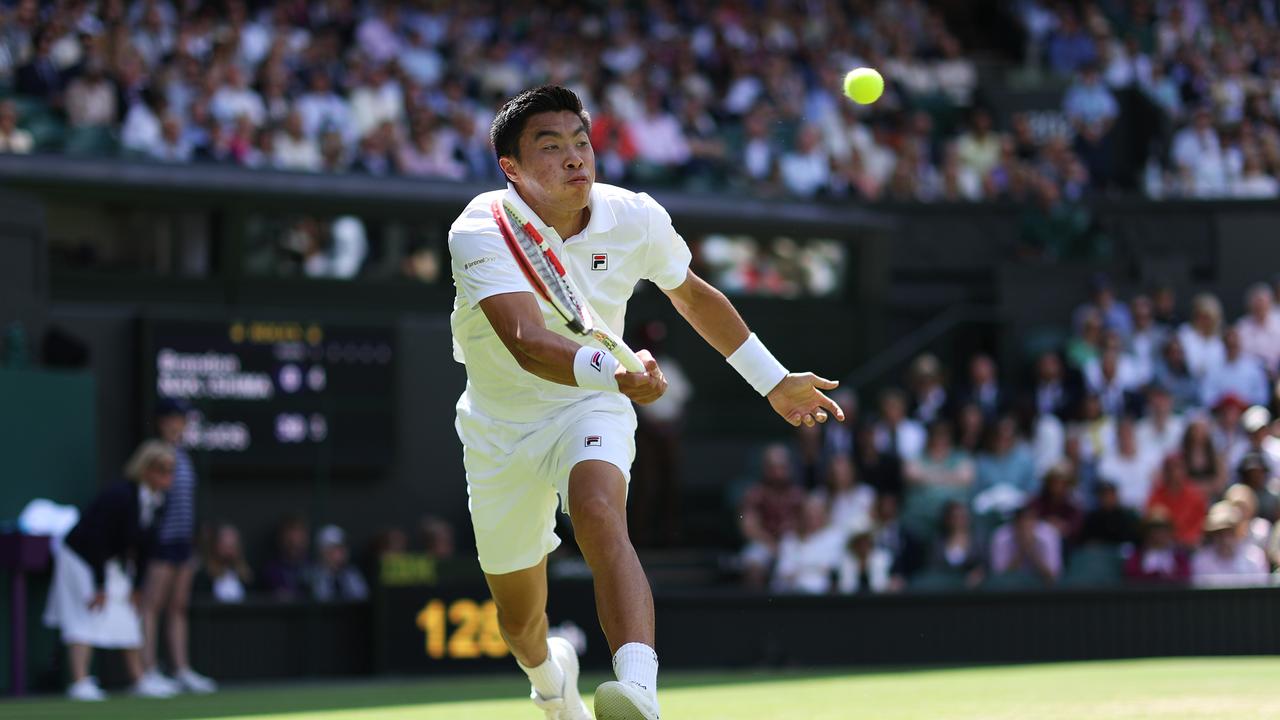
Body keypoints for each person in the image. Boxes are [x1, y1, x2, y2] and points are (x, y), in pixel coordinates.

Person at [447, 86, 843, 720]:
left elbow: (692, 295)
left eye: (581, 142)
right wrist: (617, 371)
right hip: (499, 430)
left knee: (601, 512)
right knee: (520, 624)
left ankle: (639, 692)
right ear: (512, 169)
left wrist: (773, 381)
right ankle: (551, 687)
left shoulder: (634, 216)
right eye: (551, 148)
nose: (576, 157)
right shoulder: (478, 230)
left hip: (589, 407)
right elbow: (526, 341)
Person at [44, 441, 178, 701]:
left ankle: (140, 679)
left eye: (170, 470)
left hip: (107, 561)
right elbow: (98, 539)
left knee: (127, 614)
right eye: (162, 469)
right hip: (81, 557)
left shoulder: (158, 501)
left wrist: (138, 586)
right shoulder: (120, 496)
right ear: (146, 469)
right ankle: (80, 682)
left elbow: (145, 547)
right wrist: (100, 585)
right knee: (84, 613)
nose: (167, 477)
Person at [140, 399, 216, 694]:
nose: (178, 424)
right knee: (152, 605)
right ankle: (147, 671)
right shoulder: (155, 455)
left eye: (182, 419)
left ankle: (181, 669)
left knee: (178, 607)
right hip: (160, 543)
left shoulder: (184, 456)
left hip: (184, 543)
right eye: (173, 418)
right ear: (161, 422)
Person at [739, 444, 808, 589]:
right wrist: (772, 545)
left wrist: (789, 543)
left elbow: (807, 524)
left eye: (782, 466)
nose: (778, 471)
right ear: (765, 468)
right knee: (753, 563)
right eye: (773, 466)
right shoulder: (755, 494)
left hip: (793, 542)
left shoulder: (798, 495)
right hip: (764, 542)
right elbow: (749, 527)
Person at [772, 497, 846, 594]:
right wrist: (814, 568)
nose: (812, 518)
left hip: (824, 595)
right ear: (802, 516)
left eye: (817, 514)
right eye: (809, 515)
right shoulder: (789, 540)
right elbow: (784, 573)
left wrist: (801, 570)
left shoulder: (836, 537)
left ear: (825, 515)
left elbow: (833, 568)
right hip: (792, 595)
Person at [1191, 502, 1271, 587]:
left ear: (1237, 531)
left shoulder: (1255, 557)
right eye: (1219, 533)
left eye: (1229, 532)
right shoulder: (1201, 560)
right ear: (1212, 535)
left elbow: (1261, 590)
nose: (1225, 539)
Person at [1147, 454, 1208, 549]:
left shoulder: (1195, 495)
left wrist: (1184, 540)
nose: (1174, 473)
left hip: (1188, 547)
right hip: (1161, 545)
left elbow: (1200, 525)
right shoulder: (1156, 494)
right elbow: (1151, 521)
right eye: (1170, 469)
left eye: (1178, 468)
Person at [989, 505, 1062, 584]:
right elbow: (999, 577)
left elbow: (1052, 577)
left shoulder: (1049, 534)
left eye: (1030, 522)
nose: (1025, 527)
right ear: (1014, 524)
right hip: (1010, 588)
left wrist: (1031, 551)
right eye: (1021, 523)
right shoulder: (1001, 537)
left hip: (1042, 589)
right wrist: (1022, 551)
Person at [1123, 508, 1191, 584]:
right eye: (1154, 530)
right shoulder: (1137, 557)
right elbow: (1132, 577)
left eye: (1163, 529)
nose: (1159, 534)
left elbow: (1184, 578)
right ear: (1147, 532)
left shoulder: (1179, 557)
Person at [310, 525, 370, 601]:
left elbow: (362, 597)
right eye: (336, 548)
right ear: (323, 551)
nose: (342, 552)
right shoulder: (313, 575)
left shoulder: (352, 574)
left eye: (343, 548)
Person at [197, 524, 252, 603]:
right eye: (225, 544)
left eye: (232, 545)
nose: (228, 550)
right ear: (215, 545)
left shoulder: (247, 577)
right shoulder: (203, 576)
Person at [836, 526, 898, 594]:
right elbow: (844, 587)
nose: (863, 546)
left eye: (866, 542)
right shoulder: (845, 560)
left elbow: (890, 581)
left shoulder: (883, 558)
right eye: (859, 543)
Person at [261, 515, 311, 599]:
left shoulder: (313, 567)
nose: (295, 542)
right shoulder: (270, 570)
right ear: (281, 538)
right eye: (290, 541)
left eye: (299, 539)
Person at [1079, 482, 1141, 547]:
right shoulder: (1092, 518)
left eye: (1111, 495)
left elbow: (1133, 541)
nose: (1108, 498)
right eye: (1104, 495)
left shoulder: (1127, 517)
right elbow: (1085, 541)